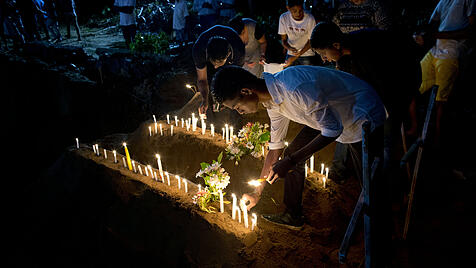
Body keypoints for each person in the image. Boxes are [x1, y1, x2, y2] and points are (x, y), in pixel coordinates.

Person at [310, 21, 421, 180]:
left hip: (401, 84)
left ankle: (388, 185)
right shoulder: (342, 60)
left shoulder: (371, 50)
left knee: (386, 139)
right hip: (378, 91)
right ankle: (371, 177)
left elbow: (385, 89)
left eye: (324, 54)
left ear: (336, 45)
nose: (324, 59)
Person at [412, 0, 475, 145]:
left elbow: (471, 30)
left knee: (441, 100)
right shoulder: (443, 1)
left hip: (451, 53)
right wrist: (422, 34)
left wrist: (439, 35)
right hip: (435, 50)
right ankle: (415, 129)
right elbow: (432, 23)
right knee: (412, 83)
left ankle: (438, 138)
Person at [192, 24, 245, 115]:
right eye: (214, 63)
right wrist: (204, 100)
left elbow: (236, 80)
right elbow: (202, 79)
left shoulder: (238, 51)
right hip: (207, 48)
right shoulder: (199, 49)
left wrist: (227, 99)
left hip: (232, 54)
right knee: (209, 85)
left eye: (218, 64)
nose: (216, 67)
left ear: (228, 54)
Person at [278, 0, 316, 67]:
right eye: (294, 11)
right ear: (288, 8)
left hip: (307, 54)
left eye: (301, 10)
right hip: (290, 54)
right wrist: (289, 48)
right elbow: (283, 40)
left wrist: (296, 56)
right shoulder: (283, 18)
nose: (298, 14)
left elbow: (311, 41)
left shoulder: (310, 18)